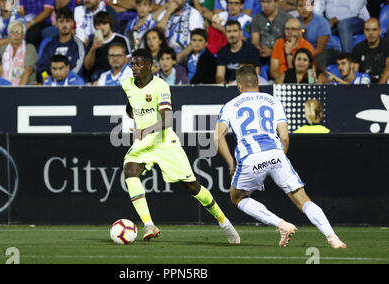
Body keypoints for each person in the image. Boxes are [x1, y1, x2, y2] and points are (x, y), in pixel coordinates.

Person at [214, 65, 347, 249]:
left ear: (239, 85)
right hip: (276, 153)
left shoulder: (229, 106)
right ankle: (333, 237)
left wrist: (231, 163)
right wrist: (277, 160)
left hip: (250, 156)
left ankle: (281, 224)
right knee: (302, 198)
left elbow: (218, 136)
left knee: (237, 198)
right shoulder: (273, 101)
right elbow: (284, 137)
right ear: (258, 82)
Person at [122, 48, 240, 244]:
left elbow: (167, 120)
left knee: (192, 188)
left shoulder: (160, 87)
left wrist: (145, 130)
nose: (134, 68)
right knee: (130, 170)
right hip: (143, 143)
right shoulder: (127, 84)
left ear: (150, 66)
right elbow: (132, 103)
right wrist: (133, 113)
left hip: (165, 141)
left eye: (139, 64)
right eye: (132, 64)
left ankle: (224, 223)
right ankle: (149, 224)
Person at [36, 8, 85, 83]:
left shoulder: (79, 45)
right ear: (56, 24)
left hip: (72, 85)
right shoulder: (49, 45)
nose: (64, 25)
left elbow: (78, 68)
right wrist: (48, 81)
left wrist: (63, 82)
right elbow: (41, 69)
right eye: (61, 22)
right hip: (51, 87)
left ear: (72, 23)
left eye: (67, 21)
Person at [83, 11, 131, 83]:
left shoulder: (121, 39)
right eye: (98, 24)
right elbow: (87, 66)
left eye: (104, 23)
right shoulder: (92, 42)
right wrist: (93, 48)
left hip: (117, 75)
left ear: (110, 24)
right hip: (96, 77)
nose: (101, 27)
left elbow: (126, 62)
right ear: (95, 27)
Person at [296, 0, 341, 72]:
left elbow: (319, 50)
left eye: (307, 6)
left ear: (312, 7)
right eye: (300, 6)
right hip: (306, 51)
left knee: (317, 61)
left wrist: (304, 56)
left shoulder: (322, 22)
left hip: (329, 50)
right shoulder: (295, 21)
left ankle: (320, 81)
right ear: (296, 8)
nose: (304, 9)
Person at [216, 20, 260, 85]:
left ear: (241, 32)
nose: (232, 34)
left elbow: (256, 74)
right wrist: (225, 84)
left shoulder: (251, 49)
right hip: (228, 87)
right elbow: (219, 76)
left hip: (248, 86)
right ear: (225, 33)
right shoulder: (222, 51)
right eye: (229, 31)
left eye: (235, 31)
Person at [0, 20, 38, 86]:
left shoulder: (29, 48)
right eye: (13, 32)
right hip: (4, 88)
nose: (16, 35)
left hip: (24, 87)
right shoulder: (3, 49)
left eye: (19, 32)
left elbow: (28, 71)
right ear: (9, 34)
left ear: (23, 35)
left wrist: (18, 90)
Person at [352, 18, 389, 84]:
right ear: (364, 32)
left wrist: (380, 87)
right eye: (367, 30)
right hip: (365, 85)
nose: (371, 33)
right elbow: (355, 74)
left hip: (384, 83)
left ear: (379, 31)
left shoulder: (387, 44)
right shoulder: (358, 48)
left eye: (374, 30)